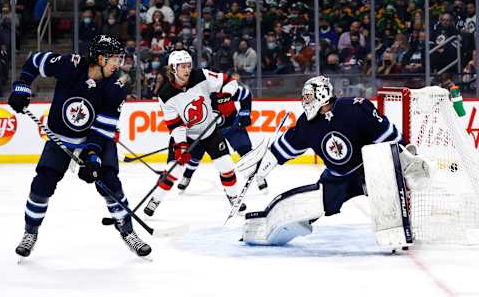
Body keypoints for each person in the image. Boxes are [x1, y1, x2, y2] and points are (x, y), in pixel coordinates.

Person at [8, 35, 151, 258]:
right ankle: (30, 232)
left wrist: (92, 155)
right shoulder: (70, 65)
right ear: (101, 59)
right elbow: (35, 60)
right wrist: (23, 85)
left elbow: (102, 129)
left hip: (93, 140)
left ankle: (127, 232)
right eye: (114, 59)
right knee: (41, 185)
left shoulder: (116, 86)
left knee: (110, 184)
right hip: (60, 138)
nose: (118, 64)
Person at [238, 75, 408, 246]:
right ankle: (265, 230)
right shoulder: (306, 124)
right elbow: (283, 149)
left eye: (308, 96)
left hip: (368, 170)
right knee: (309, 203)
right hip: (336, 178)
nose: (305, 101)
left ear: (322, 95)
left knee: (387, 189)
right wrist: (262, 167)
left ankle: (395, 233)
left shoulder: (356, 108)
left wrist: (406, 158)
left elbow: (390, 138)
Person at [143, 50, 246, 217]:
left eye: (189, 65)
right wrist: (181, 146)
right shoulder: (165, 95)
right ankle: (155, 199)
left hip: (210, 131)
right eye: (183, 66)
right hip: (187, 135)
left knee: (226, 165)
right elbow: (175, 124)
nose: (187, 70)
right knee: (174, 170)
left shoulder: (202, 76)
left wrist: (225, 97)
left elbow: (230, 82)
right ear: (173, 68)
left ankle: (233, 196)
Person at [177, 74, 268, 194]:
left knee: (246, 151)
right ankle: (187, 175)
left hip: (232, 126)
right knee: (196, 154)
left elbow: (245, 95)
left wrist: (245, 113)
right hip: (210, 132)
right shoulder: (197, 95)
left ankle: (259, 176)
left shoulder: (226, 89)